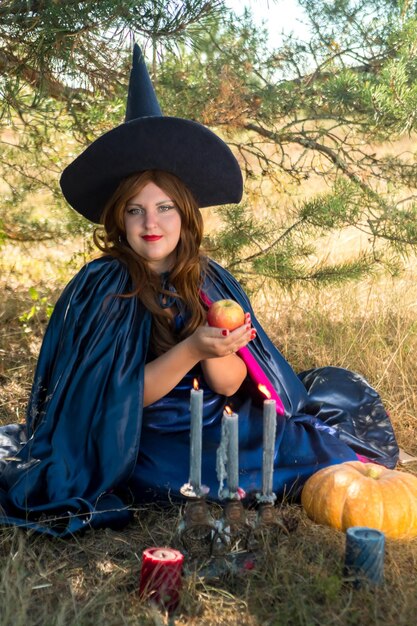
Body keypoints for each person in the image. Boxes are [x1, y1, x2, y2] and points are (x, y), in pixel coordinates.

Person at [0, 45, 399, 536]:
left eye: (165, 207)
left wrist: (214, 348)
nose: (151, 223)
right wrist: (189, 348)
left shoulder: (210, 280)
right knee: (176, 473)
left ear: (186, 214)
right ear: (117, 217)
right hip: (137, 439)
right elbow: (122, 399)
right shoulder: (103, 287)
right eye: (135, 210)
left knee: (311, 450)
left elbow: (232, 385)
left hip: (217, 421)